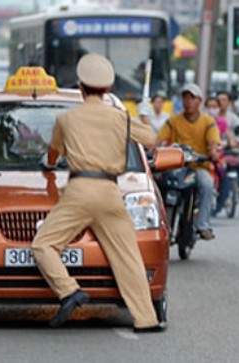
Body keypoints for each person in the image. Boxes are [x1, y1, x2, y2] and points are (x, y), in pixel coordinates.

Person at [32, 54, 164, 333]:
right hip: (109, 191)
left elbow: (53, 153)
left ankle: (69, 291)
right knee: (128, 256)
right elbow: (152, 139)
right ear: (107, 90)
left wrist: (50, 164)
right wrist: (142, 115)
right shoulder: (119, 117)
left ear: (81, 87)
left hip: (79, 190)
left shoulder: (66, 118)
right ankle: (146, 319)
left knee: (43, 245)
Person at [154, 84, 221, 240]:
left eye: (192, 98)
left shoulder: (208, 122)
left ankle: (202, 225)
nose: (188, 101)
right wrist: (151, 149)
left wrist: (213, 151)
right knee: (157, 183)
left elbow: (213, 141)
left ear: (199, 101)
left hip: (198, 168)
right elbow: (159, 139)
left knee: (207, 184)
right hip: (176, 167)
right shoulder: (174, 121)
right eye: (185, 97)